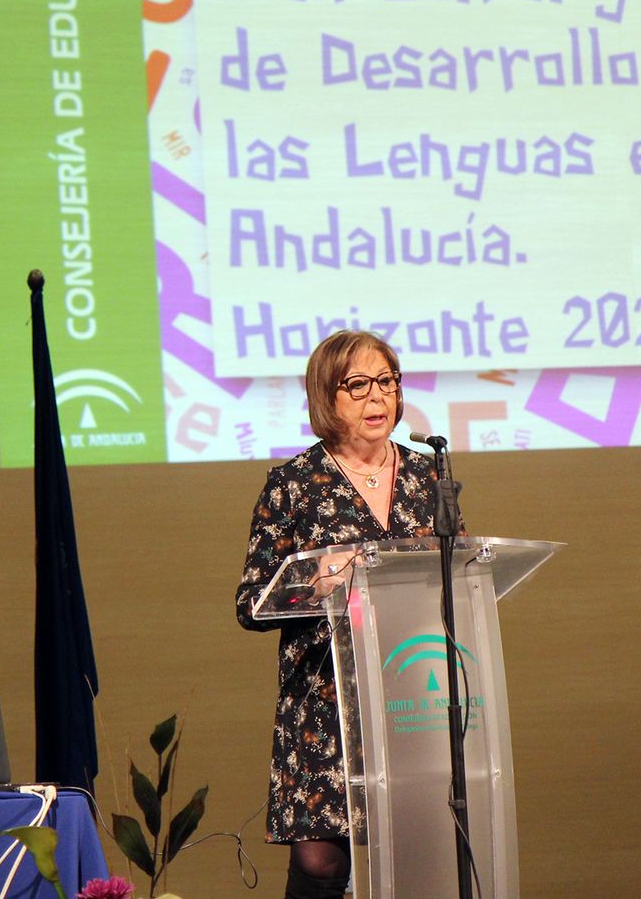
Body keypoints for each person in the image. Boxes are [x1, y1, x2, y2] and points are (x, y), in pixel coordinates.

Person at [235, 330, 441, 899]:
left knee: (417, 849)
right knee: (323, 862)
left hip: (410, 691)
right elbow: (251, 601)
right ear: (328, 395)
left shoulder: (428, 477)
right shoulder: (294, 484)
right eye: (358, 386)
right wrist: (314, 584)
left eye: (387, 383)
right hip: (325, 698)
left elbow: (457, 574)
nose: (378, 398)